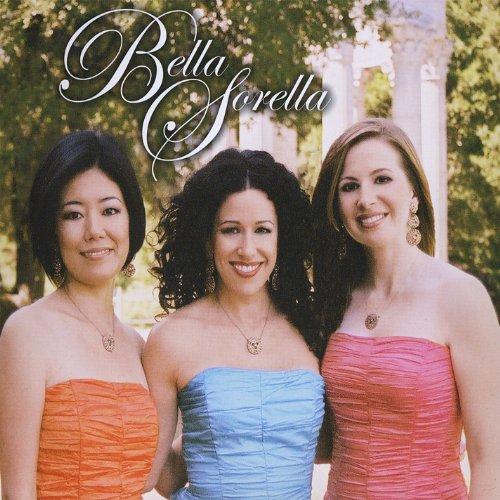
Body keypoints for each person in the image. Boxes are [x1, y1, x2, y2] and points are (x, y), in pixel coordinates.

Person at [312, 118, 500, 498]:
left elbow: (490, 460)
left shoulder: (461, 296)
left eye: (382, 179)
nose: (366, 198)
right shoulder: (332, 299)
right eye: (349, 186)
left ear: (413, 189)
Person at [143, 149, 324, 498]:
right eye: (230, 230)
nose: (247, 248)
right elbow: (159, 476)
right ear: (207, 238)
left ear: (282, 237)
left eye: (263, 230)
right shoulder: (171, 339)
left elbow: (330, 444)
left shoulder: (311, 327)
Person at [0, 130, 158, 497]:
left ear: (131, 220)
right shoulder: (27, 332)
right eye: (73, 215)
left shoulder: (138, 346)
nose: (94, 230)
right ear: (53, 229)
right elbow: (16, 492)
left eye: (110, 210)